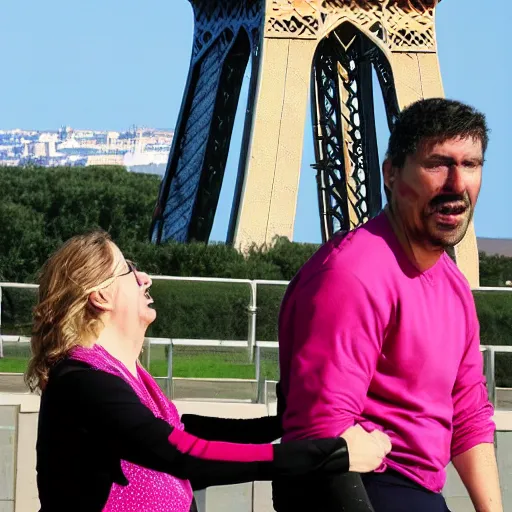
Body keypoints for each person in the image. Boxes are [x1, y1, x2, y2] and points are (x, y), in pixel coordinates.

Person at [26, 231, 391, 512]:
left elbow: (183, 431)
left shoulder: (123, 378)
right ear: (100, 296)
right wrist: (333, 454)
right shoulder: (82, 383)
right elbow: (184, 454)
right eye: (130, 269)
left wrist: (297, 419)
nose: (145, 278)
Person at [273, 98, 502, 512]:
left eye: (470, 164)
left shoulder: (453, 285)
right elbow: (322, 430)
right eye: (437, 163)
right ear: (391, 173)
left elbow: (468, 413)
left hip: (416, 491)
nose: (456, 183)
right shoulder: (351, 274)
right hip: (363, 488)